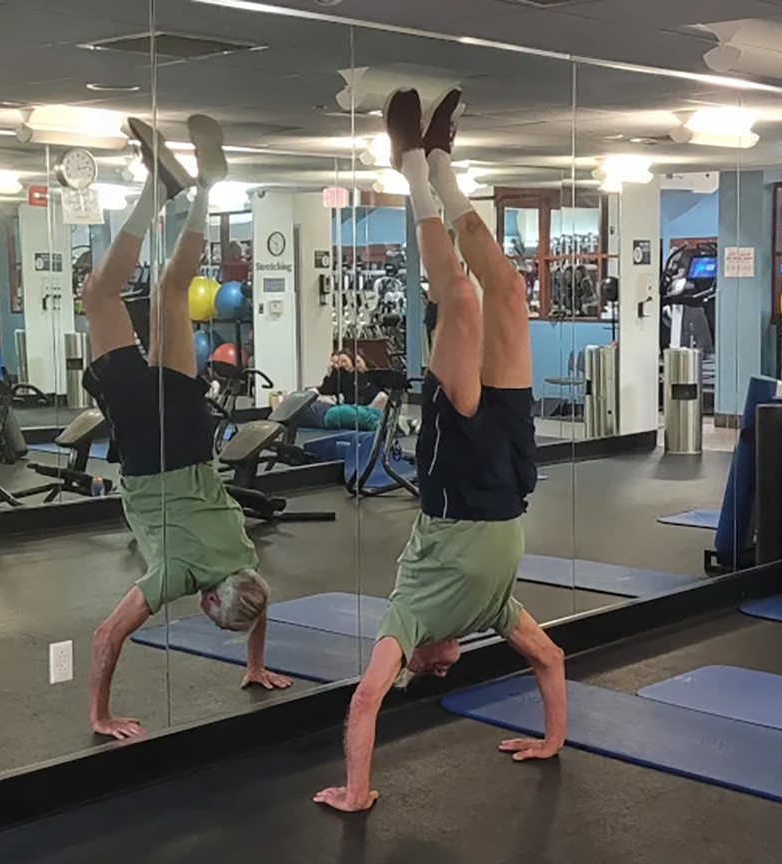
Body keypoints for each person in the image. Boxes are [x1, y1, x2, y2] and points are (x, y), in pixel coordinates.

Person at [313, 88, 568, 812]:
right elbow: (549, 660)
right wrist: (553, 739)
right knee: (511, 293)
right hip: (514, 471)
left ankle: (413, 171)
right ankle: (441, 162)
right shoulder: (492, 612)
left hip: (453, 478)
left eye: (429, 674)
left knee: (458, 300)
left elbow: (365, 701)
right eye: (440, 673)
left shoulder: (412, 618)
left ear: (417, 660)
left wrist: (356, 792)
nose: (442, 670)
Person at [83, 114, 292, 741]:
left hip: (194, 435)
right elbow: (105, 636)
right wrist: (100, 715)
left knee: (172, 291)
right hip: (149, 447)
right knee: (100, 296)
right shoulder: (179, 576)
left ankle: (201, 186)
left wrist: (258, 664)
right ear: (208, 598)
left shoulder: (245, 560)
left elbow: (261, 605)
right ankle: (159, 188)